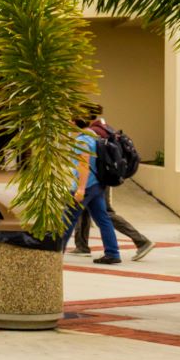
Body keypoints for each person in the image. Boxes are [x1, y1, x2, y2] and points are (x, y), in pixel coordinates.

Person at [71, 105, 154, 260]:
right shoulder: (102, 128)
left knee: (105, 214)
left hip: (96, 180)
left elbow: (86, 162)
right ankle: (82, 246)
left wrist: (81, 186)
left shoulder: (92, 132)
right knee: (86, 210)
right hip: (97, 178)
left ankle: (141, 241)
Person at [69, 110, 123, 265]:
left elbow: (84, 164)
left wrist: (80, 188)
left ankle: (53, 252)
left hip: (87, 185)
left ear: (74, 122)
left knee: (67, 219)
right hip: (97, 184)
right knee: (103, 219)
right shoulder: (94, 134)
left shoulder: (83, 139)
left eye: (69, 119)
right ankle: (112, 253)